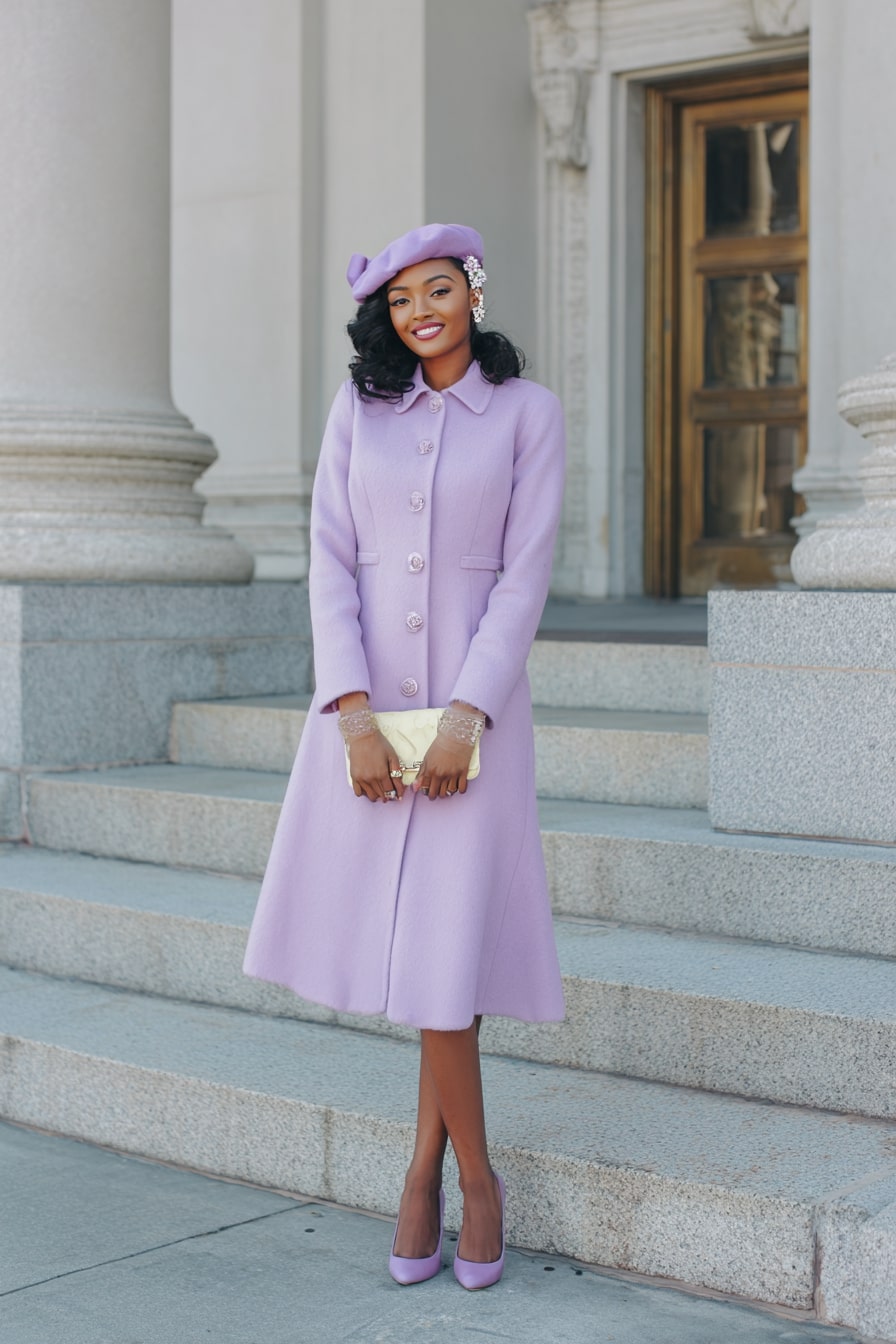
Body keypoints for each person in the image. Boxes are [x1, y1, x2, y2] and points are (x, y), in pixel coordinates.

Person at [243, 223, 566, 1290]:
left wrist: (470, 711)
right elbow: (327, 555)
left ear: (473, 293)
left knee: (447, 948)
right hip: (368, 718)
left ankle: (456, 1177)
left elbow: (522, 579)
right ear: (384, 317)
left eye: (438, 290)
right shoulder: (358, 411)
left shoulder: (528, 415)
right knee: (433, 960)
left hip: (478, 722)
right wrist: (349, 711)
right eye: (399, 299)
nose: (420, 311)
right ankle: (440, 1167)